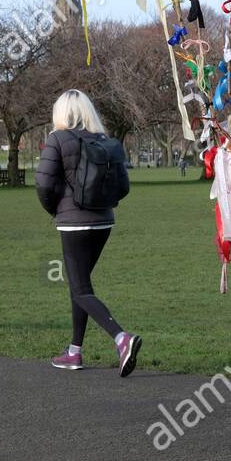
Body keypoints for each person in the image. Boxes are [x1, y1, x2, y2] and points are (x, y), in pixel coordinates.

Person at [35, 89, 142, 376]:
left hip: (74, 224)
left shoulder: (57, 139)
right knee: (79, 285)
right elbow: (124, 187)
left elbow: (44, 184)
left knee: (80, 287)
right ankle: (74, 351)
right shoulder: (106, 141)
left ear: (61, 113)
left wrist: (56, 210)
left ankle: (122, 338)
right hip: (104, 222)